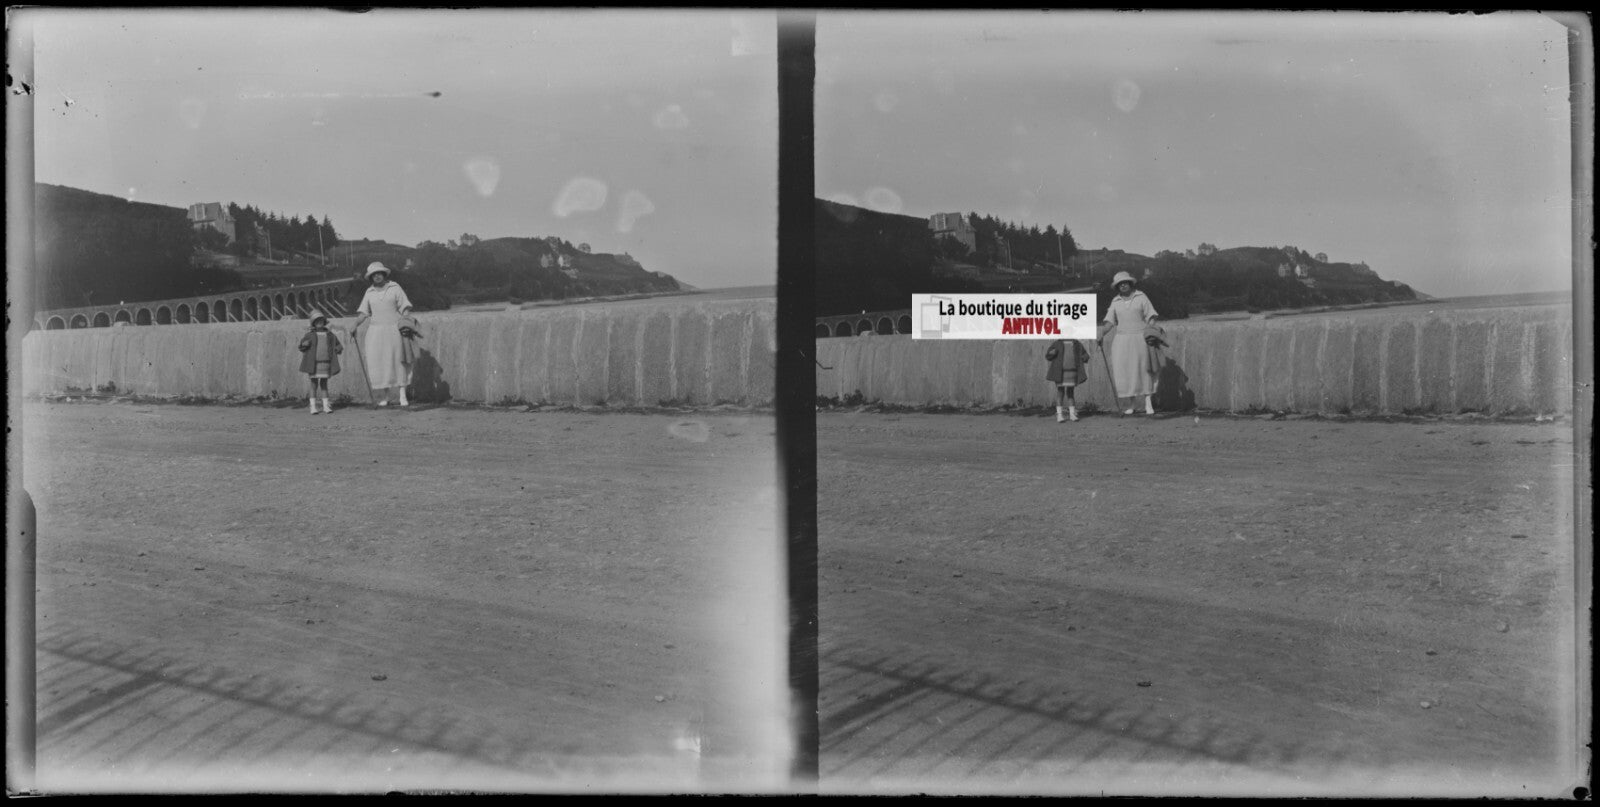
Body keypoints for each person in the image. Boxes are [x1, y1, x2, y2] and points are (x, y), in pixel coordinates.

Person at [350, 262, 415, 407]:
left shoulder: (394, 287)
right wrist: (355, 324)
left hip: (394, 330)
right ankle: (385, 396)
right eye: (374, 274)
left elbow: (405, 306)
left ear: (384, 274)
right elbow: (363, 313)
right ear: (371, 277)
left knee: (399, 361)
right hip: (376, 332)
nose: (377, 276)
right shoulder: (369, 292)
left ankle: (402, 395)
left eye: (379, 273)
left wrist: (405, 321)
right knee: (381, 363)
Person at [1098, 271, 1160, 415]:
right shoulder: (1115, 301)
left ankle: (1148, 403)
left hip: (1140, 338)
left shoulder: (1141, 297)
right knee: (1125, 372)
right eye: (1120, 284)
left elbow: (1151, 315)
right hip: (1122, 340)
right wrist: (1101, 334)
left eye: (1125, 282)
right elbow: (1109, 322)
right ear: (1117, 287)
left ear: (1130, 283)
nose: (1123, 285)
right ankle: (1131, 405)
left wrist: (1150, 329)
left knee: (1144, 370)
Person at [297, 312, 343, 414]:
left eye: (321, 320)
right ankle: (313, 407)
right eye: (316, 321)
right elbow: (301, 346)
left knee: (324, 384)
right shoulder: (309, 335)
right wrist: (304, 344)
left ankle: (326, 406)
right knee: (313, 384)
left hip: (325, 363)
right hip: (313, 364)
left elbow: (339, 345)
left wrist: (338, 348)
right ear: (313, 323)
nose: (319, 322)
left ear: (324, 322)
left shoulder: (330, 335)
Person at [1044, 338, 1089, 422]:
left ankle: (1072, 415)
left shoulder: (1077, 343)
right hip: (1060, 373)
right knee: (1060, 392)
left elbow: (1084, 354)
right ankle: (1059, 415)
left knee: (1070, 393)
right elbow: (1048, 355)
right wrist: (1051, 353)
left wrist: (1085, 357)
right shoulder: (1057, 343)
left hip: (1072, 372)